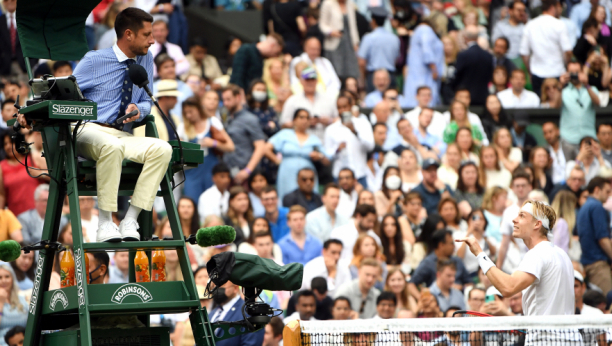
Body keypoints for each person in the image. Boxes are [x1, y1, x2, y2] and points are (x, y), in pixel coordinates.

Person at [22, 8, 170, 243]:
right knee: (111, 146)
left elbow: (145, 103)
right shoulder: (93, 60)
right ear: (129, 34)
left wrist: (138, 110)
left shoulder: (146, 59)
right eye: (147, 34)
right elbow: (62, 94)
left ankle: (130, 218)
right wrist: (29, 111)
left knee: (163, 149)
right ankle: (105, 222)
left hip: (120, 134)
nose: (153, 40)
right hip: (86, 130)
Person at [458, 199, 576, 316]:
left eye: (522, 216)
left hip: (545, 334)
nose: (514, 220)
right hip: (565, 333)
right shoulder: (562, 254)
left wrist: (479, 253)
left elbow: (509, 287)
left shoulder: (538, 253)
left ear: (537, 224)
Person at [180, 96, 235, 203]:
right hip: (192, 174)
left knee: (213, 203)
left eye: (191, 111)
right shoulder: (182, 127)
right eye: (186, 113)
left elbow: (231, 147)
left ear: (199, 109)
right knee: (192, 204)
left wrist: (213, 143)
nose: (188, 115)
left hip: (211, 171)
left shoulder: (212, 122)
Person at [269, 109, 329, 201]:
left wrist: (319, 156)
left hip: (307, 175)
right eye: (301, 117)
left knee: (308, 200)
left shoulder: (314, 139)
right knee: (287, 199)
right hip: (287, 172)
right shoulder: (285, 134)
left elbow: (327, 161)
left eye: (307, 118)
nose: (304, 120)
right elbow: (266, 148)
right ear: (294, 120)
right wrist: (277, 161)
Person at [519, 0, 573, 96]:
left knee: (540, 107)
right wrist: (566, 66)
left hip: (537, 73)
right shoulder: (560, 24)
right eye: (559, 7)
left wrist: (530, 71)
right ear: (553, 7)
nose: (560, 10)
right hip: (557, 72)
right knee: (558, 108)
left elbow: (524, 53)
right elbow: (568, 51)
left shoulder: (530, 25)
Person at [221, 84, 268, 185]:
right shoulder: (228, 119)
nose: (225, 103)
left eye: (228, 99)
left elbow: (260, 147)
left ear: (238, 97)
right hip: (230, 172)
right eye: (224, 100)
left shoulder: (250, 119)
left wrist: (248, 170)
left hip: (246, 174)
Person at [325, 96, 374, 188]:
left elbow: (370, 147)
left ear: (351, 106)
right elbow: (327, 155)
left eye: (345, 107)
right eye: (339, 108)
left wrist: (355, 132)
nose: (342, 110)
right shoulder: (330, 129)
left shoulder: (363, 123)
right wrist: (337, 149)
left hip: (359, 174)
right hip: (339, 177)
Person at [408, 229, 471, 300]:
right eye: (451, 243)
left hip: (459, 301)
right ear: (441, 245)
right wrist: (423, 300)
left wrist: (461, 287)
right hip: (437, 302)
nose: (454, 246)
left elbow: (469, 284)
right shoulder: (428, 263)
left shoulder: (458, 261)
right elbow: (411, 284)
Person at [280, 66, 338, 141]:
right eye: (307, 80)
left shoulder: (329, 100)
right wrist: (303, 123)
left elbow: (339, 120)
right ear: (301, 81)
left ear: (317, 81)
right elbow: (284, 124)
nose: (310, 82)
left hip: (326, 142)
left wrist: (328, 121)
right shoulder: (292, 101)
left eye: (312, 79)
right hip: (301, 144)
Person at [577, 177, 612, 294]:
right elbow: (603, 239)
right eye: (607, 191)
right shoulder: (597, 207)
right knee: (608, 301)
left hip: (589, 262)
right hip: (598, 264)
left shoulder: (585, 207)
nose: (609, 195)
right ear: (597, 190)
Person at [208, 281, 265, 346]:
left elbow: (251, 343)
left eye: (221, 285)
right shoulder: (211, 314)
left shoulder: (250, 313)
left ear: (235, 288)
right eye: (214, 286)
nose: (216, 289)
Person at [496, 171, 533, 272]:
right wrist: (498, 268)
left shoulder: (542, 207)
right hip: (523, 261)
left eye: (523, 185)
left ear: (530, 187)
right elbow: (504, 244)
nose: (520, 189)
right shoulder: (508, 212)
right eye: (517, 186)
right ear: (512, 188)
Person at [403, 20, 444, 107]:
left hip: (418, 75)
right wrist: (433, 68)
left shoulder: (415, 35)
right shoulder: (424, 29)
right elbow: (427, 50)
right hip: (425, 76)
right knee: (425, 102)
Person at [560, 60, 600, 151]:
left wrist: (586, 85)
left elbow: (597, 102)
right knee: (570, 165)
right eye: (571, 73)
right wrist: (560, 85)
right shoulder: (563, 91)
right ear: (566, 73)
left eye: (577, 72)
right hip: (568, 138)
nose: (574, 75)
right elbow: (555, 105)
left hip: (589, 137)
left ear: (582, 72)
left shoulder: (592, 88)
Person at [358, 8, 400, 93]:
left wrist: (362, 78)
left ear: (373, 21)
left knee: (373, 104)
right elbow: (396, 59)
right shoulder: (394, 38)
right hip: (390, 75)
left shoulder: (368, 38)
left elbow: (361, 62)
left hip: (374, 77)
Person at [451, 25, 493, 106]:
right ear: (477, 37)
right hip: (483, 96)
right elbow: (490, 75)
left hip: (464, 97)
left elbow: (457, 75)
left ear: (465, 38)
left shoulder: (463, 55)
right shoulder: (488, 56)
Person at [318, 0, 360, 80]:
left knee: (351, 73)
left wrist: (356, 42)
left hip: (348, 44)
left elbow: (353, 25)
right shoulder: (328, 3)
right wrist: (331, 32)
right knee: (336, 73)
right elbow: (322, 25)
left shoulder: (350, 4)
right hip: (334, 43)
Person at [456, 209, 496, 277]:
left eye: (481, 219)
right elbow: (459, 257)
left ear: (485, 222)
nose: (478, 222)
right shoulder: (460, 236)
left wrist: (483, 234)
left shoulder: (489, 238)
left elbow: (494, 253)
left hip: (486, 274)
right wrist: (468, 232)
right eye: (474, 218)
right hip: (469, 274)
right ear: (468, 221)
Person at [0, 264, 27, 345]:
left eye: (7, 277)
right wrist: (1, 302)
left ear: (12, 279)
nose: (3, 280)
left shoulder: (22, 299)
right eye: (0, 278)